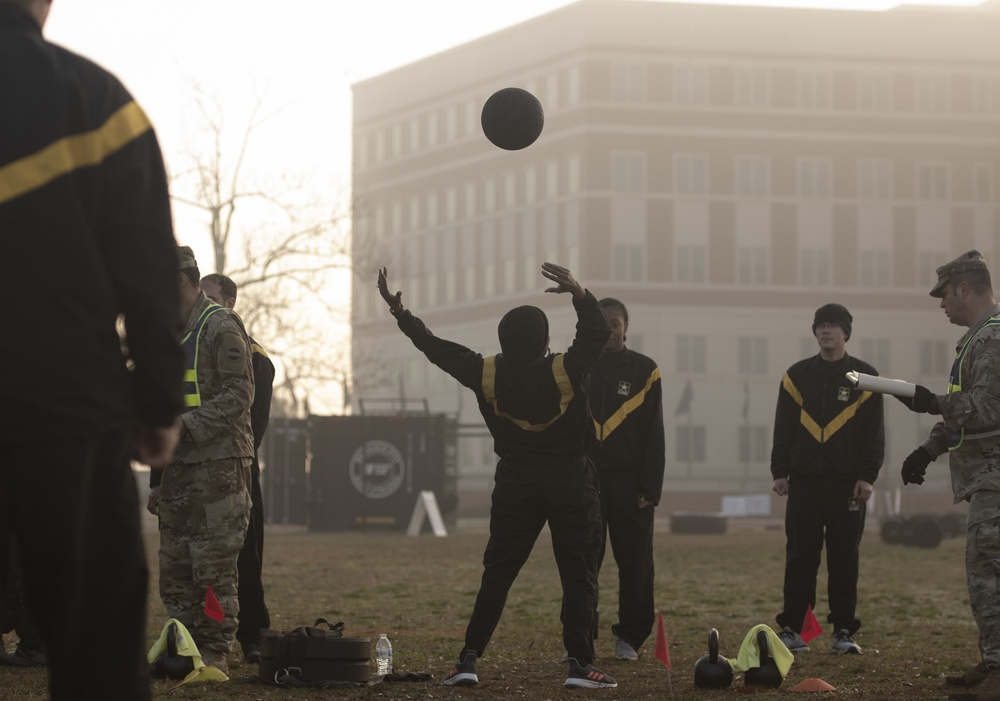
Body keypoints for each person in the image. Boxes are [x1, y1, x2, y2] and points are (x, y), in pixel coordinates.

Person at [0, 0, 185, 698]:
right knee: (96, 647)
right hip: (69, 411)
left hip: (70, 403)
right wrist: (159, 403)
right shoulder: (100, 107)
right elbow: (146, 271)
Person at [377, 263, 617, 689]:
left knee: (499, 573)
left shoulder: (485, 373)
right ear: (545, 341)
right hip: (570, 483)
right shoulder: (565, 370)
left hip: (516, 485)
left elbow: (436, 348)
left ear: (505, 341)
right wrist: (580, 293)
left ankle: (468, 659)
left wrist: (402, 314)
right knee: (578, 574)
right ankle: (580, 665)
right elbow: (595, 335)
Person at [895, 251, 1000, 701]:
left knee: (987, 572)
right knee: (987, 570)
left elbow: (989, 408)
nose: (941, 305)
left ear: (964, 288)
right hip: (985, 476)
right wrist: (928, 449)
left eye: (944, 295)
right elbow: (965, 410)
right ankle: (994, 658)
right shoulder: (977, 341)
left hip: (995, 477)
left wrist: (930, 401)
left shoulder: (993, 339)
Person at [147, 247, 255, 676]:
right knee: (174, 568)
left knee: (212, 569)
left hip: (218, 470)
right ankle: (182, 645)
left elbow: (239, 395)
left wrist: (186, 426)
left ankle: (213, 652)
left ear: (179, 278)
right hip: (176, 472)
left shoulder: (220, 326)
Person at [770, 303, 885, 656]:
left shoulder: (866, 378)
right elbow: (783, 428)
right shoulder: (795, 376)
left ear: (846, 333)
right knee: (800, 556)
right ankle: (794, 628)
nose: (826, 331)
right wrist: (779, 471)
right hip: (804, 482)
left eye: (834, 325)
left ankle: (843, 631)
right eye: (821, 325)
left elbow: (874, 434)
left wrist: (867, 476)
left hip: (846, 485)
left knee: (844, 559)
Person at [200, 273, 275, 663]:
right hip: (195, 469)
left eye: (211, 298)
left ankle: (252, 634)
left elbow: (255, 422)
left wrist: (236, 467)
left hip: (238, 469)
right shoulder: (192, 347)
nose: (204, 304)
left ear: (229, 302)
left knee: (246, 555)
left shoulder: (255, 354)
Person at [586, 298, 664, 660]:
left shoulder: (645, 371)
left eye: (615, 323)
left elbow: (654, 434)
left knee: (635, 562)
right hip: (586, 482)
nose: (610, 330)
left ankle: (629, 638)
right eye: (603, 324)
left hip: (631, 486)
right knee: (583, 561)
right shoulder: (577, 367)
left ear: (626, 327)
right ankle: (580, 636)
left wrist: (651, 488)